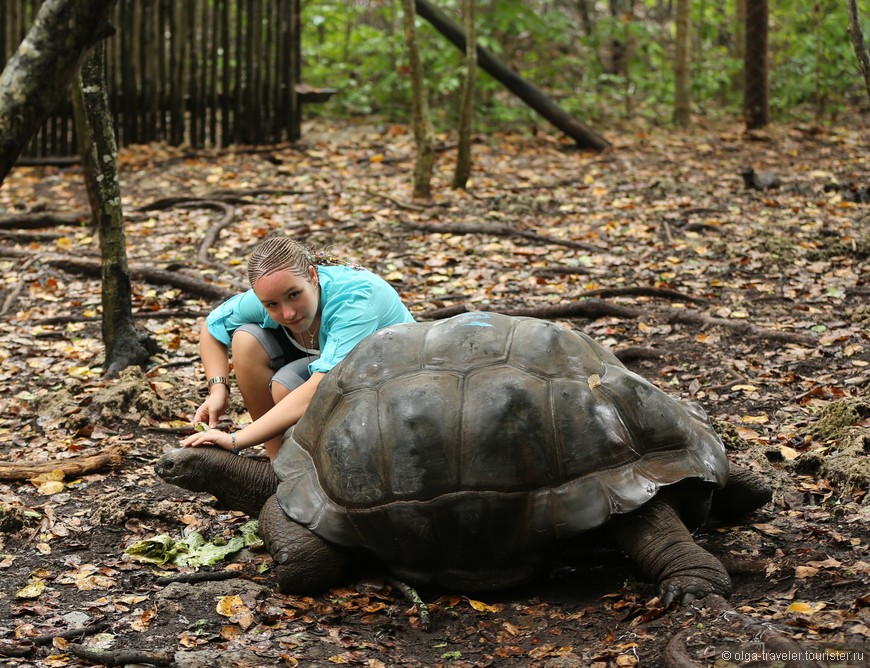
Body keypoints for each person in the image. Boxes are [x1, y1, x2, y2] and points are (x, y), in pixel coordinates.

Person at [181, 236, 415, 461]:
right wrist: (218, 391)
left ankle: (322, 473)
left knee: (287, 387)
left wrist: (236, 440)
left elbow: (320, 386)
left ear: (312, 276)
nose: (287, 313)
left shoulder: (354, 300)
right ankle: (277, 464)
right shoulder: (271, 295)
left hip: (392, 381)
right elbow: (212, 328)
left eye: (294, 295)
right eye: (271, 304)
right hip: (329, 363)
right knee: (246, 341)